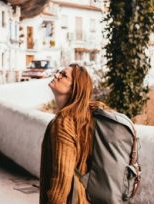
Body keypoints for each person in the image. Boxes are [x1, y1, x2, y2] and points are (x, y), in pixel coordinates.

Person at [39, 63, 106, 204]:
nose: (56, 75)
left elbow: (62, 178)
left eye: (64, 75)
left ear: (74, 88)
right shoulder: (82, 119)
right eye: (59, 72)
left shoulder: (64, 123)